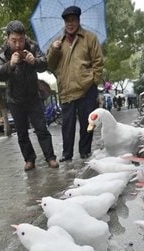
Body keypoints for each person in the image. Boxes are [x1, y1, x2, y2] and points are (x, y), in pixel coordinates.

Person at [0, 20, 58, 171]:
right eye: (14, 40)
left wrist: (34, 61)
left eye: (21, 40)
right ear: (8, 38)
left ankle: (50, 157)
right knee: (22, 133)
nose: (18, 45)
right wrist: (10, 64)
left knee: (41, 129)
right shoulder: (2, 53)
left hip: (33, 97)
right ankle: (29, 160)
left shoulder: (33, 47)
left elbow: (44, 64)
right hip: (15, 100)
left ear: (25, 37)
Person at [47, 6, 104, 162]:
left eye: (73, 20)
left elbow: (98, 62)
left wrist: (94, 81)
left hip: (86, 88)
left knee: (88, 122)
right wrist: (54, 50)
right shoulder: (58, 42)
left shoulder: (90, 38)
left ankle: (85, 151)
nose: (70, 24)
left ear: (78, 20)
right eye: (67, 21)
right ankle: (67, 154)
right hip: (66, 89)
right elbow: (50, 65)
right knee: (67, 125)